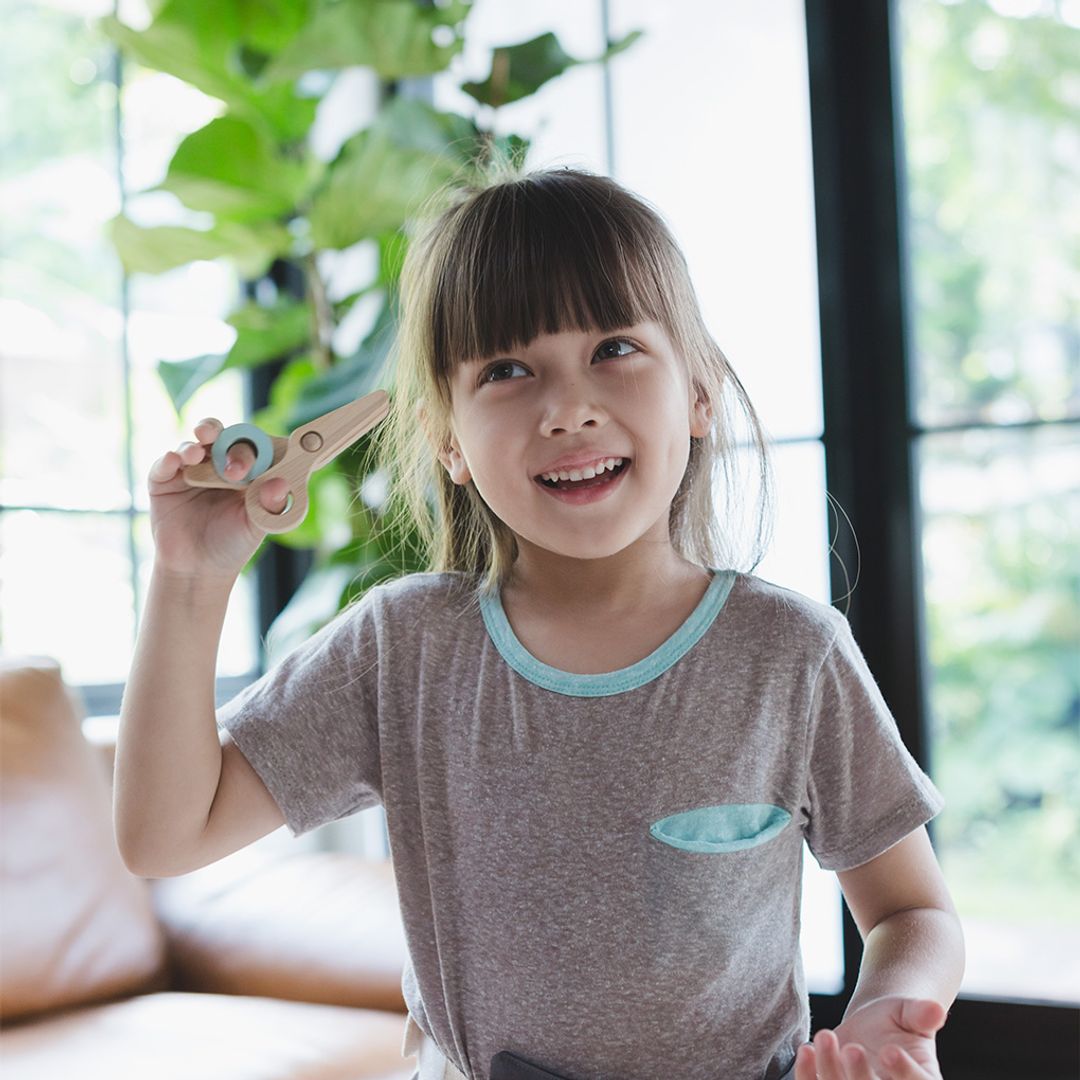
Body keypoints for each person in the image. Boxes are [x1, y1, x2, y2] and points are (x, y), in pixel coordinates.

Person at [115, 160, 965, 1080]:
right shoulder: (402, 648)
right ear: (448, 440)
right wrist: (190, 579)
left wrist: (888, 1017)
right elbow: (167, 835)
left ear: (699, 393)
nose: (567, 408)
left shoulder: (789, 656)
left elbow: (912, 913)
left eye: (615, 350)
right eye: (509, 369)